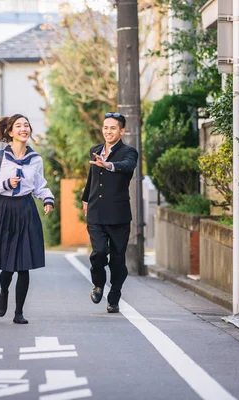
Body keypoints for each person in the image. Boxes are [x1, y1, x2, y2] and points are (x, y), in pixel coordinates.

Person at [0, 114, 54, 324]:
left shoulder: (36, 159)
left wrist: (48, 199)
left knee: (24, 264)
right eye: (19, 126)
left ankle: (19, 312)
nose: (24, 129)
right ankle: (4, 291)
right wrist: (5, 184)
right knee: (8, 266)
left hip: (26, 210)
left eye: (27, 125)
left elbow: (39, 186)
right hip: (5, 211)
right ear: (10, 132)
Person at [81, 112, 138, 313]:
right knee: (99, 253)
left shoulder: (129, 152)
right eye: (106, 127)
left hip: (118, 215)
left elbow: (127, 166)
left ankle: (115, 292)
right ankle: (98, 284)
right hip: (96, 212)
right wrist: (86, 198)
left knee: (117, 258)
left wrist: (109, 165)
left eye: (113, 128)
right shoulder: (94, 150)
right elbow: (92, 177)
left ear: (121, 131)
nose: (108, 131)